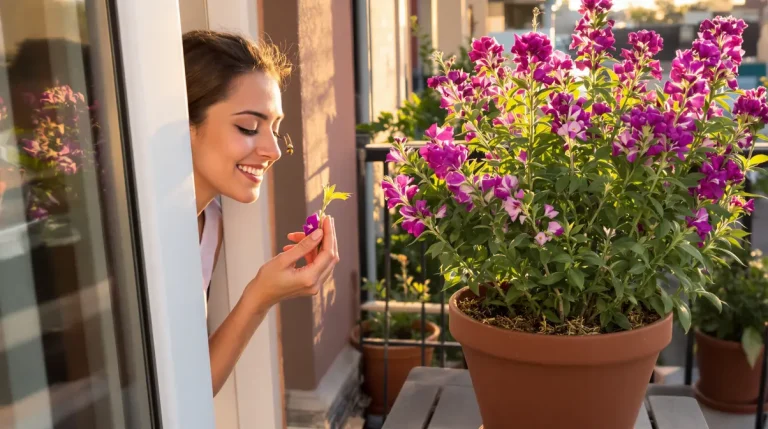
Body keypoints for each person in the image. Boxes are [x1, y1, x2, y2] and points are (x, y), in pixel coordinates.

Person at [182, 30, 340, 396]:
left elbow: (194, 388)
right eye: (248, 127)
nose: (273, 150)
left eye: (275, 128)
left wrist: (260, 297)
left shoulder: (210, 225)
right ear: (185, 124)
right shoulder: (129, 233)